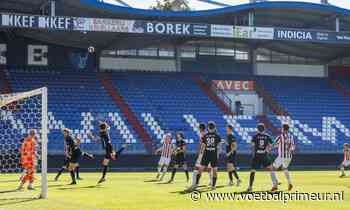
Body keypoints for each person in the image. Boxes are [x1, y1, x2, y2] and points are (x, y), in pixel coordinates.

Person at [190, 121, 222, 190]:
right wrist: (218, 155)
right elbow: (219, 147)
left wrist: (200, 153)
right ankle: (213, 186)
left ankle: (196, 184)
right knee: (214, 171)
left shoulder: (205, 136)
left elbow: (203, 146)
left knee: (200, 169)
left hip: (206, 155)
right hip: (213, 155)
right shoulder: (217, 136)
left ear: (208, 128)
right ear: (214, 128)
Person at [247, 123, 278, 192]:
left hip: (257, 155)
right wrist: (268, 149)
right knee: (271, 168)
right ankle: (275, 184)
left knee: (253, 171)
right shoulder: (267, 136)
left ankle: (250, 187)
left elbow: (252, 144)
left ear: (257, 129)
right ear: (264, 129)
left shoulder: (255, 136)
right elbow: (274, 145)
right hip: (264, 155)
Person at [272, 123, 295, 191]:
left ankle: (275, 185)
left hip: (282, 156)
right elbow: (293, 147)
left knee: (272, 168)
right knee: (284, 168)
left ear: (283, 129)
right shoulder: (291, 136)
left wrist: (269, 148)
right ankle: (290, 183)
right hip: (289, 156)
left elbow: (273, 144)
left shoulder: (280, 136)